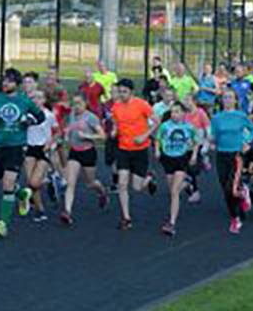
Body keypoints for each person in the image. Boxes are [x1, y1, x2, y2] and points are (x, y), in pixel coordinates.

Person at [0, 68, 46, 239]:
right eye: (3, 80)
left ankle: (3, 224)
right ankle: (23, 194)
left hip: (16, 147)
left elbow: (41, 117)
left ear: (16, 84)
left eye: (9, 81)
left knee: (7, 185)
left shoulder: (24, 101)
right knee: (7, 184)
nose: (5, 84)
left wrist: (29, 121)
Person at [111, 78, 158, 230]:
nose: (121, 95)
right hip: (123, 149)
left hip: (140, 149)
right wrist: (114, 131)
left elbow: (157, 122)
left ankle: (150, 178)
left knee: (137, 188)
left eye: (124, 92)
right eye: (120, 91)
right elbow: (116, 124)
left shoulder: (142, 104)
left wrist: (145, 135)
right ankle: (126, 217)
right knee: (122, 184)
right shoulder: (116, 107)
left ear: (131, 92)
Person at [210, 89, 253, 234]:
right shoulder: (217, 118)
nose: (228, 100)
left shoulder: (241, 116)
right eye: (225, 97)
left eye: (230, 97)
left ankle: (235, 218)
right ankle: (243, 192)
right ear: (222, 100)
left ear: (235, 100)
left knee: (231, 187)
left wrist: (247, 142)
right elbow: (214, 136)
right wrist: (212, 143)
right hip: (221, 154)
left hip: (236, 154)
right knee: (224, 186)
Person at [60, 92, 109, 225]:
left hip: (88, 152)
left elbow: (103, 136)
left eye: (79, 103)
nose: (76, 107)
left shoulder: (91, 118)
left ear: (85, 103)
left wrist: (87, 136)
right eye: (74, 103)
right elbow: (69, 128)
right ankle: (67, 212)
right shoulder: (71, 115)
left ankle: (102, 192)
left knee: (91, 183)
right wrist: (66, 133)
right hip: (74, 152)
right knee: (71, 183)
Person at [156, 102, 197, 236]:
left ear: (183, 113)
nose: (174, 114)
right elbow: (157, 139)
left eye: (177, 112)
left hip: (181, 158)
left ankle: (171, 223)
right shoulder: (165, 126)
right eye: (173, 112)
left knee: (174, 192)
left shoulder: (189, 127)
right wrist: (157, 150)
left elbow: (196, 142)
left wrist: (194, 155)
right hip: (168, 158)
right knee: (172, 188)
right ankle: (186, 184)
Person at [24, 90, 57, 222]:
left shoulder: (48, 115)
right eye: (32, 98)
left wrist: (51, 142)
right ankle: (40, 210)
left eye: (38, 98)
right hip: (29, 149)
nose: (35, 100)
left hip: (43, 149)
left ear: (44, 100)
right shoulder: (26, 115)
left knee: (34, 182)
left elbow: (56, 132)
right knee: (31, 183)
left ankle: (48, 180)